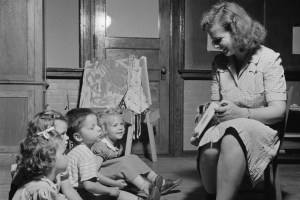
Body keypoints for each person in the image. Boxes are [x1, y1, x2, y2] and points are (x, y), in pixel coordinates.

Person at [190, 1, 287, 200]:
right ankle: (216, 195)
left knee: (232, 137)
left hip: (262, 127)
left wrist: (242, 113)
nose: (215, 45)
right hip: (228, 124)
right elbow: (215, 103)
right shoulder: (219, 62)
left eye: (218, 39)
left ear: (237, 30)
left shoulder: (269, 59)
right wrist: (205, 118)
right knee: (208, 150)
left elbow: (279, 111)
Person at [65, 108, 160, 200]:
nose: (99, 129)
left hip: (81, 190)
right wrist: (110, 189)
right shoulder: (85, 154)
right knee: (115, 193)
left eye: (97, 125)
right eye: (92, 127)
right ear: (78, 137)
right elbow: (89, 185)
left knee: (117, 192)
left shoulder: (79, 150)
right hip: (79, 194)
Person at [91, 108, 182, 195]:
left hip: (112, 173)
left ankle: (160, 182)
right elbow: (93, 172)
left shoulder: (117, 146)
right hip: (102, 180)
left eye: (121, 124)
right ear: (104, 130)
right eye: (115, 125)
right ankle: (147, 188)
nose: (120, 128)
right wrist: (113, 183)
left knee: (132, 157)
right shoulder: (101, 147)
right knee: (122, 162)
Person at [9, 110, 83, 200]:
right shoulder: (32, 166)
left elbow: (68, 189)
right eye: (62, 134)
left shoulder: (59, 159)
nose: (67, 137)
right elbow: (16, 193)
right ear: (45, 136)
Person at [12, 126, 68, 200]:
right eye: (63, 153)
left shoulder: (44, 184)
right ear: (51, 159)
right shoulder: (41, 189)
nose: (66, 156)